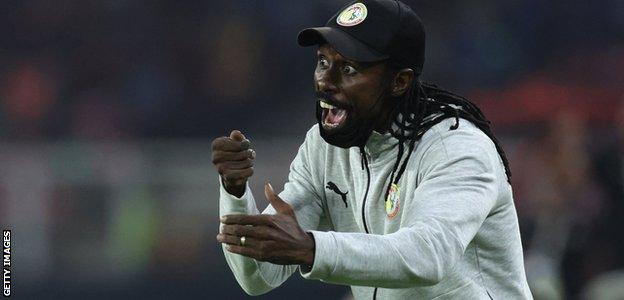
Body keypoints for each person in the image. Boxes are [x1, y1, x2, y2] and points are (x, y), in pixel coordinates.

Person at [212, 0, 532, 298]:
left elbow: (428, 256)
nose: (326, 81)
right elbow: (258, 277)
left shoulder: (457, 149)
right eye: (323, 61)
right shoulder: (323, 148)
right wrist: (236, 193)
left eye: (349, 69)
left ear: (399, 81)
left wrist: (312, 248)